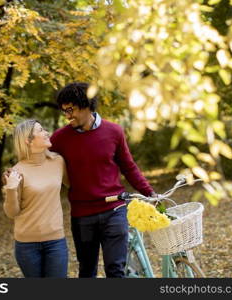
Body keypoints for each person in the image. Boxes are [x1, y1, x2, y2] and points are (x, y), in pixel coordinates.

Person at [49, 82, 156, 278]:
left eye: (70, 110)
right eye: (64, 111)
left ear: (86, 105)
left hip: (114, 211)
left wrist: (150, 193)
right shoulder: (60, 139)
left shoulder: (114, 131)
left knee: (115, 271)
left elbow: (129, 167)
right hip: (82, 216)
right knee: (87, 271)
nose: (67, 116)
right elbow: (40, 160)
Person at [2, 119, 69, 278]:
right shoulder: (17, 172)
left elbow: (74, 185)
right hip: (27, 246)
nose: (46, 132)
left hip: (56, 241)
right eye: (40, 130)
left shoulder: (58, 162)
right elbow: (12, 212)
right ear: (28, 140)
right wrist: (11, 188)